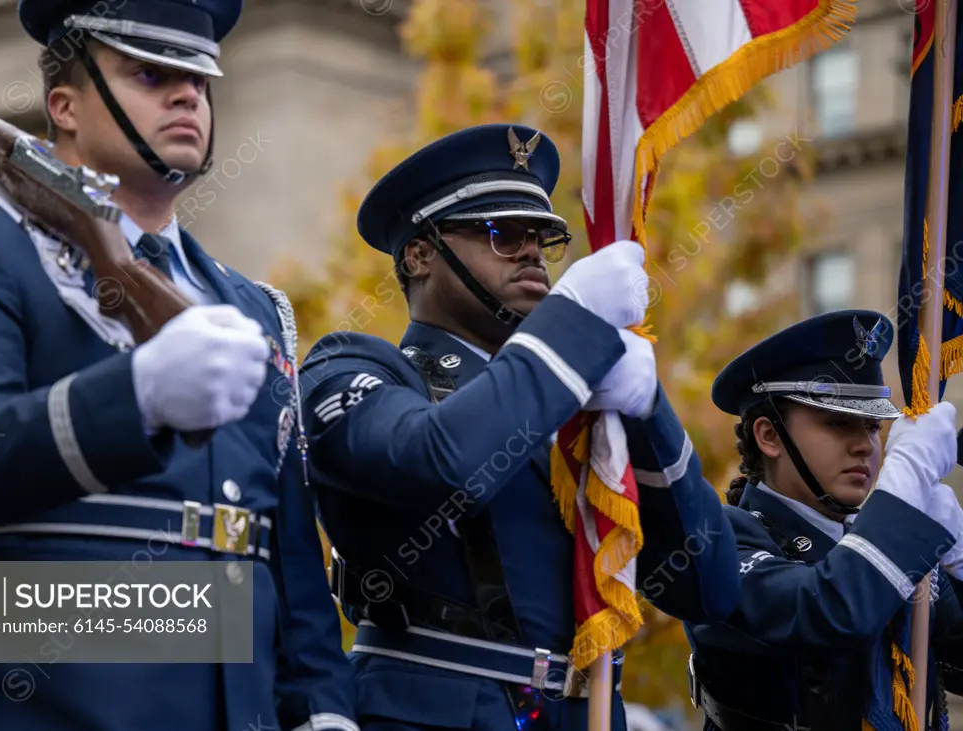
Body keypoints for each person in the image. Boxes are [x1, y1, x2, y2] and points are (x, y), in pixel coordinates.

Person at [0, 1, 357, 730]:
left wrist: (320, 706)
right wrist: (134, 397)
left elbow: (282, 542)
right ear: (62, 107)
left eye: (198, 79)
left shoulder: (255, 308)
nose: (188, 94)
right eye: (150, 74)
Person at [299, 123, 741, 731]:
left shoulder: (575, 402)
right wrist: (570, 330)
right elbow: (442, 461)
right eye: (502, 234)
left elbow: (709, 587)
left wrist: (648, 411)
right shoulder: (353, 367)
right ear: (420, 254)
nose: (532, 252)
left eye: (542, 237)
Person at [685, 309, 963, 730]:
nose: (865, 447)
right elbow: (831, 608)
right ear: (770, 435)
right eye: (838, 423)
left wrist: (960, 563)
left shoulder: (886, 544)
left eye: (872, 427)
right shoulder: (715, 540)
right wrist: (902, 494)